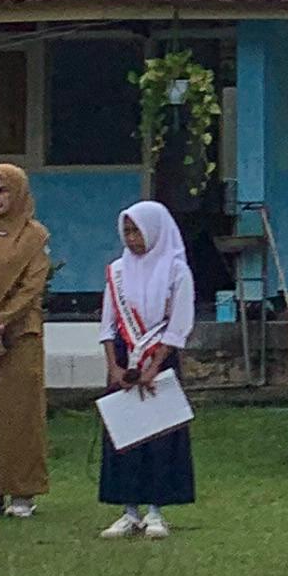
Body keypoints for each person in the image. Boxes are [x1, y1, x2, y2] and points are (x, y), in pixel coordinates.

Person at [98, 198, 196, 539]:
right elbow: (108, 324)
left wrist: (154, 366)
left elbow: (179, 323)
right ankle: (128, 510)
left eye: (137, 231)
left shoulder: (176, 270)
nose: (132, 239)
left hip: (160, 356)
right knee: (124, 433)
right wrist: (114, 367)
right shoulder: (117, 271)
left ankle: (156, 511)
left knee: (159, 435)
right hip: (124, 357)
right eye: (126, 232)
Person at [0, 160, 54, 517]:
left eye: (2, 190)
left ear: (18, 193)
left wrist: (1, 320)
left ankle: (22, 492)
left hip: (20, 336)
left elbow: (33, 285)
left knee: (21, 414)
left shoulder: (35, 236)